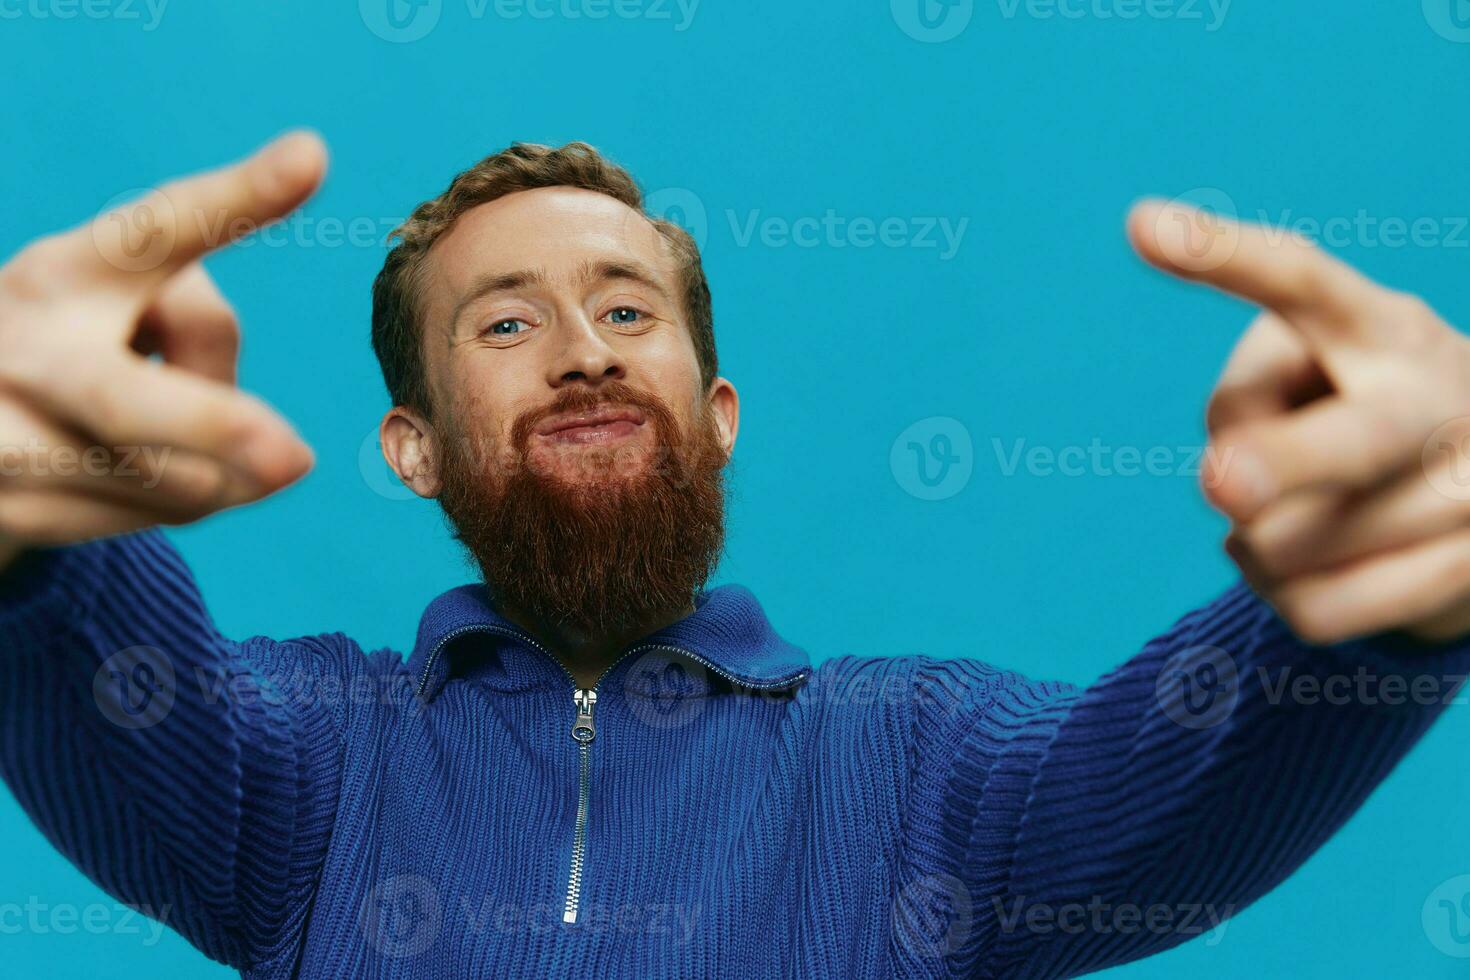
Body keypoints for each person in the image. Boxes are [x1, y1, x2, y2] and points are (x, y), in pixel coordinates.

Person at [0, 131, 1466, 978]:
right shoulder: (305, 764)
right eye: (504, 324)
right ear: (416, 447)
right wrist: (29, 526)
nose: (581, 355)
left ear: (715, 416)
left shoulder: (927, 766)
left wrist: (1389, 600)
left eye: (628, 311)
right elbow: (97, 671)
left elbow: (1184, 768)